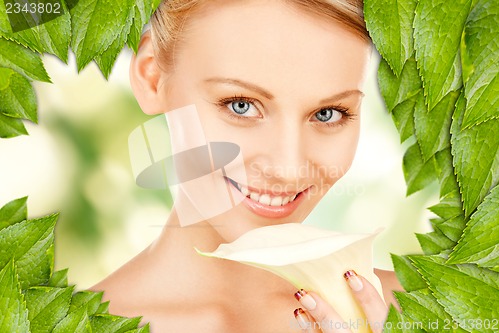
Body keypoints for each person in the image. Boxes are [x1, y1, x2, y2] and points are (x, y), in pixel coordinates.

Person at [91, 0, 403, 331]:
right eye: (241, 106)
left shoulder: (419, 311)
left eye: (327, 113)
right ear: (153, 76)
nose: (288, 170)